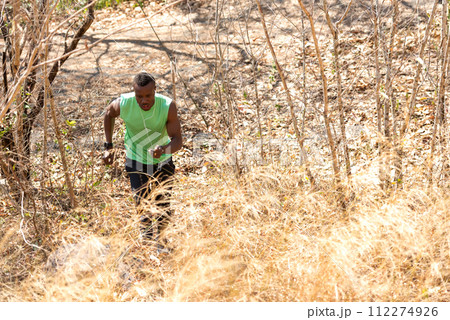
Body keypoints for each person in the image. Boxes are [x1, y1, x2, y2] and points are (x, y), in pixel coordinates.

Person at [103, 72, 182, 247]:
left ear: (155, 91)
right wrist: (108, 146)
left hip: (162, 161)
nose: (144, 100)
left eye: (148, 95)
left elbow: (178, 140)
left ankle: (161, 242)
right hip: (136, 158)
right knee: (142, 203)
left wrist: (164, 150)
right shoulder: (124, 103)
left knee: (162, 205)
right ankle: (145, 245)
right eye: (139, 96)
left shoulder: (167, 106)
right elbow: (108, 114)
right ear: (134, 93)